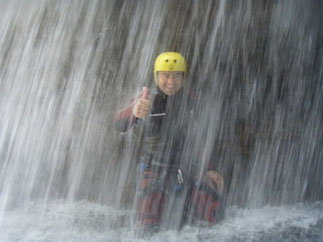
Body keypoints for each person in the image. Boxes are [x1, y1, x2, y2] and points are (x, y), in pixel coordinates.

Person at [115, 52, 224, 230]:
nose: (171, 82)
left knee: (211, 212)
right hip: (154, 168)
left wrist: (211, 168)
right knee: (147, 220)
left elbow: (202, 137)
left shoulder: (192, 101)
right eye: (165, 76)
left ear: (183, 77)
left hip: (188, 168)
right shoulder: (145, 99)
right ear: (156, 76)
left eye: (177, 76)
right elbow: (119, 124)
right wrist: (134, 113)